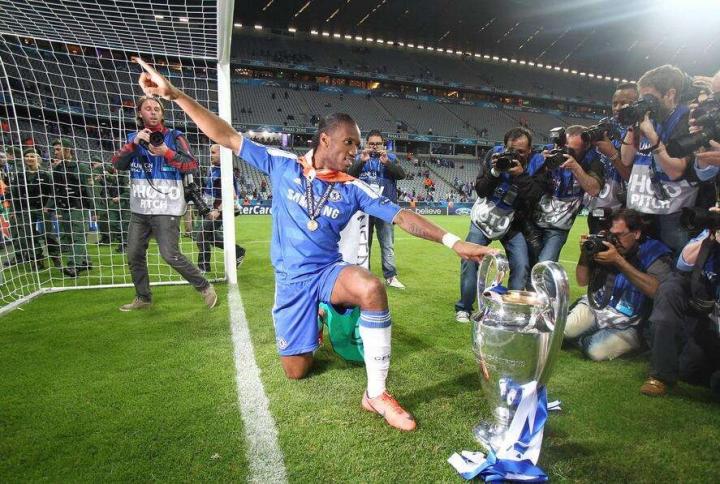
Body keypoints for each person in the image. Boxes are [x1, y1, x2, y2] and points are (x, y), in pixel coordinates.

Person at [133, 57, 496, 431]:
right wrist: (175, 95)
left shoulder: (353, 187)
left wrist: (454, 242)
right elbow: (225, 135)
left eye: (357, 145)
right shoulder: (282, 164)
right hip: (291, 282)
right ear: (325, 139)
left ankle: (375, 393)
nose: (355, 151)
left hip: (327, 272)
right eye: (349, 142)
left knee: (372, 288)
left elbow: (401, 216)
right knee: (297, 371)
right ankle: (321, 316)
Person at [110, 95, 217, 311]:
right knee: (134, 254)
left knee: (170, 254)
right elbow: (117, 164)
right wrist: (133, 145)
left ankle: (204, 286)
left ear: (162, 113)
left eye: (157, 109)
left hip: (167, 208)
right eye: (148, 108)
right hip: (140, 209)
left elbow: (192, 165)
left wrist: (167, 152)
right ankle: (143, 297)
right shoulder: (132, 138)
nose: (153, 112)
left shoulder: (175, 137)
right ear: (140, 113)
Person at [454, 127, 551, 323]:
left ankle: (510, 309)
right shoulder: (494, 155)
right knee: (469, 259)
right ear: (505, 146)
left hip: (512, 222)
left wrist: (521, 175)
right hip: (483, 218)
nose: (516, 155)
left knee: (521, 264)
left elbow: (535, 197)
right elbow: (481, 190)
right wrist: (494, 172)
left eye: (521, 152)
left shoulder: (539, 163)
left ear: (530, 150)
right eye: (511, 150)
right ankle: (464, 307)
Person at [620, 65, 716, 255]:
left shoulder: (688, 120)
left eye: (650, 98)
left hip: (671, 216)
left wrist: (651, 135)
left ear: (670, 94)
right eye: (642, 99)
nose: (646, 104)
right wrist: (632, 126)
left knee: (671, 270)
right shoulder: (648, 119)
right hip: (640, 212)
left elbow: (675, 171)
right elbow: (626, 159)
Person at [565, 209, 673, 361]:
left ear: (636, 233)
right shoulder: (606, 244)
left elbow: (657, 290)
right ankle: (582, 334)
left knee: (594, 351)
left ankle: (585, 339)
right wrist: (585, 254)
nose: (615, 240)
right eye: (612, 234)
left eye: (620, 235)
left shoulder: (654, 251)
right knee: (565, 331)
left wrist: (618, 261)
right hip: (598, 307)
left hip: (630, 322)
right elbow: (582, 281)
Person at [641, 226, 720, 399]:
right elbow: (683, 263)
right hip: (712, 327)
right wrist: (710, 236)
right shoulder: (711, 232)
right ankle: (660, 375)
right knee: (688, 369)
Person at [527, 125, 604, 264]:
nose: (567, 152)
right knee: (527, 265)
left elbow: (594, 190)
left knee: (545, 264)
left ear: (586, 147)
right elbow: (525, 179)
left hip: (559, 227)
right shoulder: (550, 151)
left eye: (573, 150)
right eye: (565, 146)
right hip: (534, 222)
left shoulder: (592, 160)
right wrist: (540, 163)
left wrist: (575, 167)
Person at [347, 130, 407, 289]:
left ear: (383, 145)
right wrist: (361, 161)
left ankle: (390, 276)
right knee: (363, 244)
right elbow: (348, 175)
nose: (374, 146)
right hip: (363, 209)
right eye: (371, 143)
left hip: (385, 209)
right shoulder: (359, 157)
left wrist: (387, 163)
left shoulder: (390, 157)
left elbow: (402, 175)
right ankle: (364, 275)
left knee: (387, 244)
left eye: (378, 144)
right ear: (366, 144)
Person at [585, 83, 637, 234]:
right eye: (615, 103)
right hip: (599, 208)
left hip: (626, 211)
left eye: (624, 103)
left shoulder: (640, 133)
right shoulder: (605, 128)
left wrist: (612, 154)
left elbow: (632, 178)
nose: (617, 108)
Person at [196, 143, 246, 273]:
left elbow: (232, 195)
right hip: (214, 209)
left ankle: (203, 268)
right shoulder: (213, 169)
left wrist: (218, 210)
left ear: (222, 154)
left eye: (213, 153)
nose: (210, 155)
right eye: (210, 152)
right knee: (209, 237)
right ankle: (238, 252)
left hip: (222, 210)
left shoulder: (225, 171)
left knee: (202, 236)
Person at [48, 138, 93, 278]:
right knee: (70, 236)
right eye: (55, 149)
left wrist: (95, 209)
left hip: (78, 207)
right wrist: (53, 207)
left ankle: (73, 265)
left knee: (78, 236)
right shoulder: (57, 169)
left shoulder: (81, 167)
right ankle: (85, 261)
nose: (55, 152)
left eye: (58, 149)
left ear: (68, 150)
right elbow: (56, 191)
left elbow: (90, 190)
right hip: (64, 207)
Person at [6, 148, 53, 269]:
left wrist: (48, 207)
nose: (29, 158)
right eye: (27, 156)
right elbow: (15, 195)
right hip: (26, 209)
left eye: (32, 156)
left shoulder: (45, 174)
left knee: (48, 235)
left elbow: (53, 193)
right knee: (29, 235)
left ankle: (55, 257)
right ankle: (37, 259)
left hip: (42, 209)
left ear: (38, 158)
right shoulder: (20, 175)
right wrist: (14, 211)